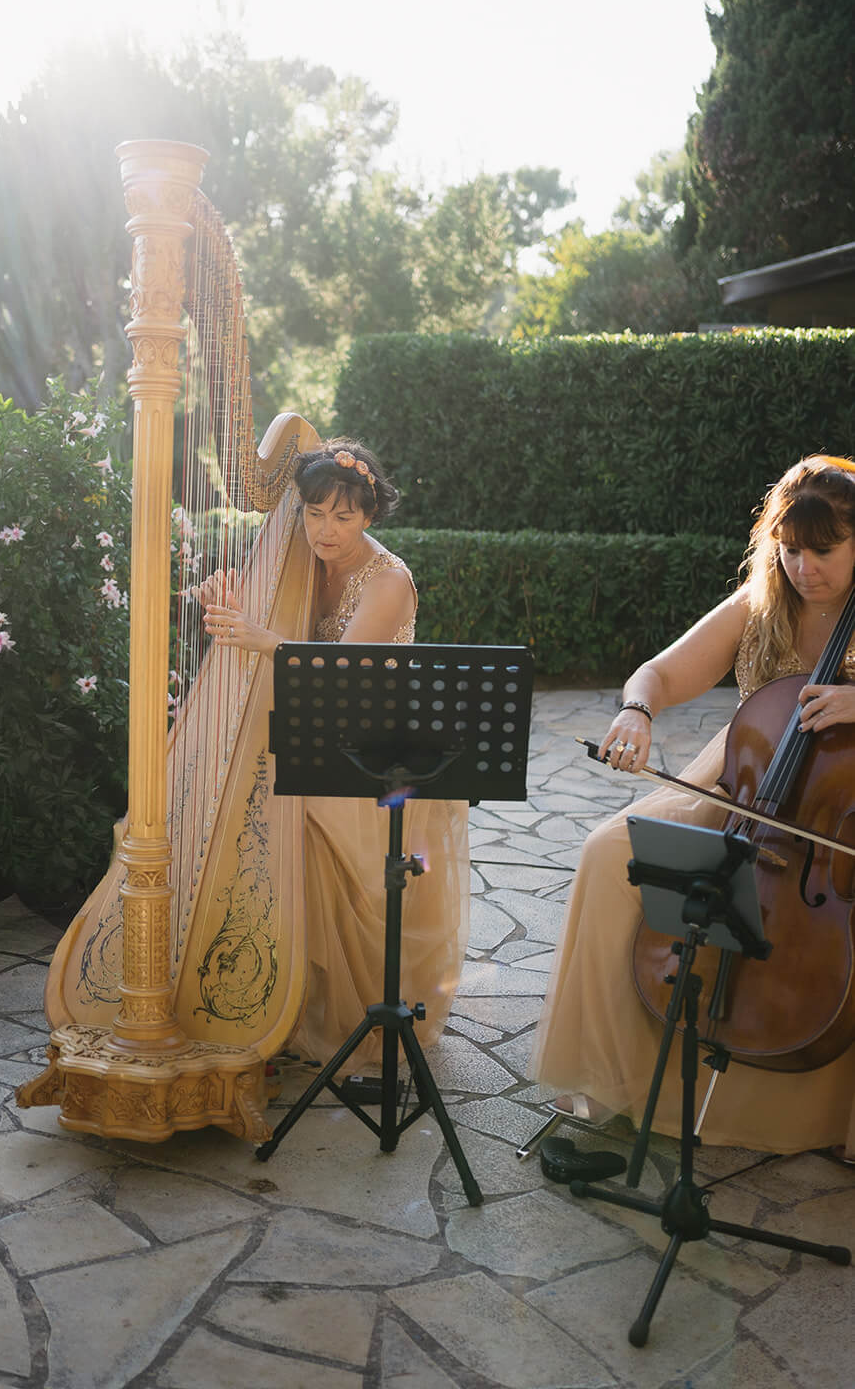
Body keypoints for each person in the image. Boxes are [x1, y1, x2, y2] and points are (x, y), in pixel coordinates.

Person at [532, 454, 855, 1160]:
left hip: (841, 807)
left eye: (824, 552)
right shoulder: (761, 602)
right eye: (790, 550)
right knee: (612, 853)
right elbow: (659, 672)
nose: (804, 569)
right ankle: (610, 1074)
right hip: (752, 779)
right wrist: (637, 710)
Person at [194, 438, 470, 1065]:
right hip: (318, 730)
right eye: (314, 513)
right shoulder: (297, 559)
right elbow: (269, 636)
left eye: (343, 517)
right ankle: (268, 988)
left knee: (288, 813)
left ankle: (316, 1003)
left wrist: (263, 638)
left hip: (375, 751)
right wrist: (227, 603)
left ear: (369, 515)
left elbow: (342, 672)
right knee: (244, 801)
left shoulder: (388, 580)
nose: (326, 530)